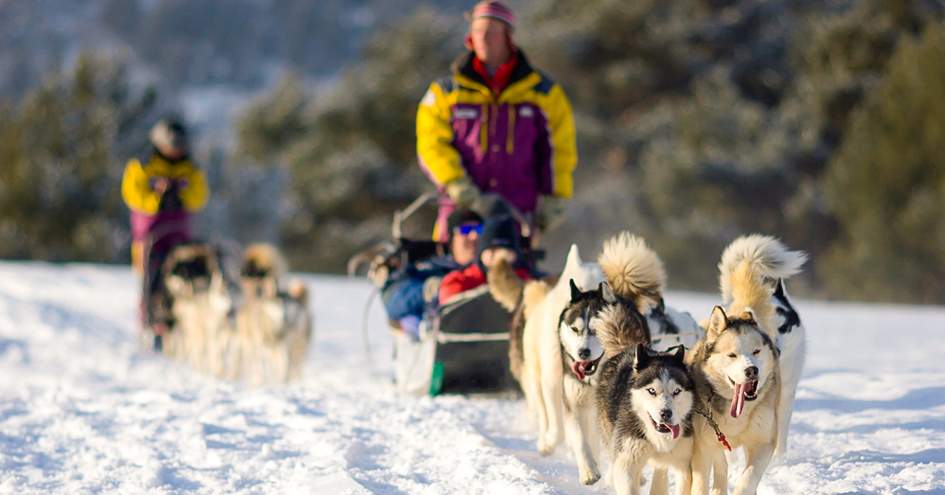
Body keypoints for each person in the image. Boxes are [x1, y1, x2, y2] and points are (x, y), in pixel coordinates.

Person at [416, 1, 578, 243]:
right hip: (462, 213)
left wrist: (556, 198)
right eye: (477, 30)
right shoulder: (445, 92)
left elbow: (560, 149)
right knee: (455, 278)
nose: (483, 38)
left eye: (491, 31)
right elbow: (431, 144)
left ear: (508, 36)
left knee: (515, 278)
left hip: (517, 215)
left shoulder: (544, 93)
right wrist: (456, 184)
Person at [121, 119, 209, 335]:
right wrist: (157, 198)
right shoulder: (143, 164)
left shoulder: (190, 167)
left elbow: (200, 195)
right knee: (153, 274)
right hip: (150, 235)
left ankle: (185, 322)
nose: (176, 151)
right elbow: (132, 194)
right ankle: (151, 320)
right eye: (172, 146)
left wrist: (180, 196)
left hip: (180, 234)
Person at [381, 209, 484, 338]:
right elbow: (392, 300)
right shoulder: (431, 266)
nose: (474, 236)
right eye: (466, 230)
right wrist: (427, 290)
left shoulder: (492, 268)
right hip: (442, 342)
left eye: (480, 229)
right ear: (452, 237)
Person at [438, 214, 533, 305]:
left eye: (505, 252)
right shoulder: (458, 281)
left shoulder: (527, 280)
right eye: (492, 251)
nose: (498, 258)